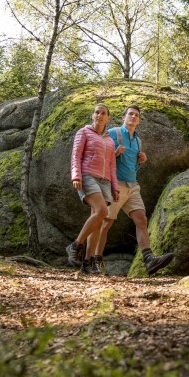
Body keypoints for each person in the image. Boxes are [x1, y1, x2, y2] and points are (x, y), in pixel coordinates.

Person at [93, 105, 174, 275]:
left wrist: (140, 159)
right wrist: (114, 153)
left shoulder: (138, 140)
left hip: (132, 185)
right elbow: (100, 154)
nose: (133, 116)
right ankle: (95, 261)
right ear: (123, 117)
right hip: (115, 184)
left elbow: (132, 164)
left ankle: (149, 259)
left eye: (136, 115)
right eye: (130, 114)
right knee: (106, 222)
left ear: (139, 120)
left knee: (141, 219)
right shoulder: (114, 133)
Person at [66, 103, 119, 274]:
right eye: (97, 112)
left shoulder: (110, 140)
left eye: (103, 113)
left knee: (98, 219)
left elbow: (112, 165)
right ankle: (75, 245)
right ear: (92, 115)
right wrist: (76, 175)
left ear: (108, 118)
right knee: (102, 211)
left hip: (104, 181)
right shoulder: (84, 132)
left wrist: (115, 187)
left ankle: (87, 262)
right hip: (88, 175)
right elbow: (76, 155)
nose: (100, 115)